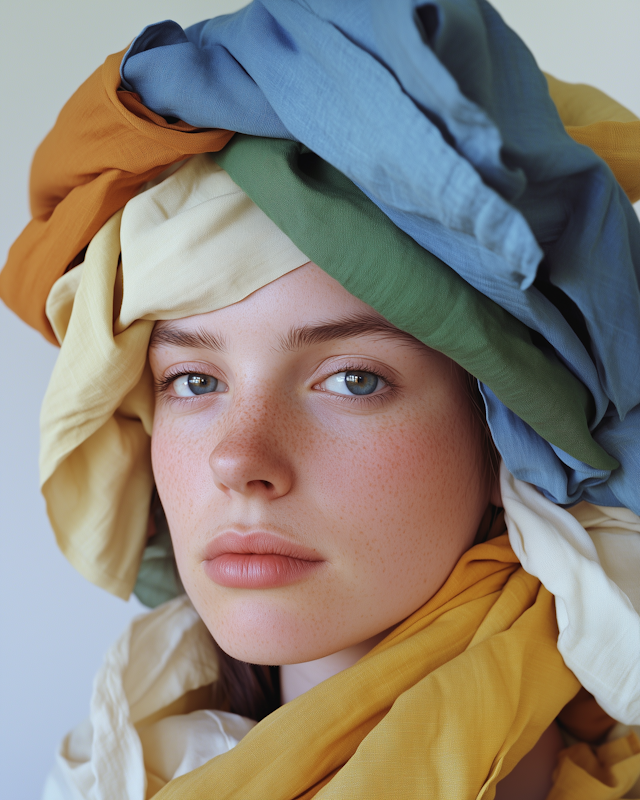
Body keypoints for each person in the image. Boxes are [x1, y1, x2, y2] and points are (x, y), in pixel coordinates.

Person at [2, 1, 640, 798]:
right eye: (195, 381)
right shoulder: (113, 769)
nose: (239, 461)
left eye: (353, 379)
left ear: (505, 436)